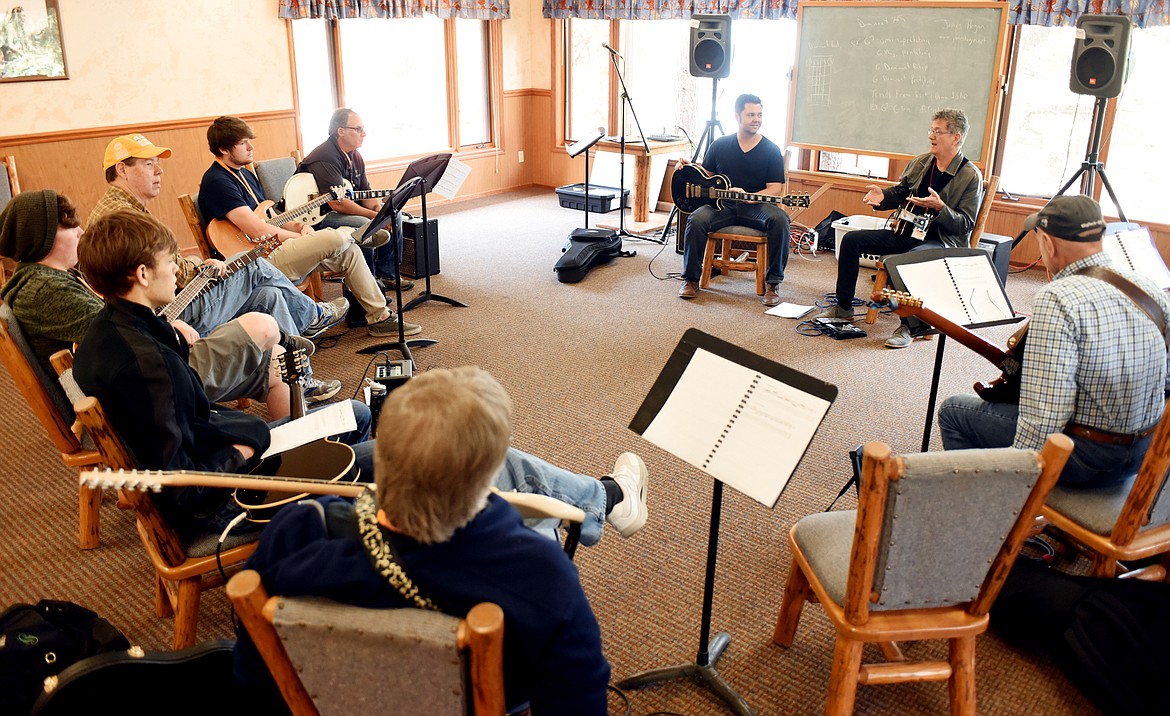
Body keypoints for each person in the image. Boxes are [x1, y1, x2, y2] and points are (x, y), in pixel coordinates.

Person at [234, 367, 650, 714]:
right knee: (547, 525)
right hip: (489, 697)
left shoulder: (298, 534)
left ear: (381, 456)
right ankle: (608, 498)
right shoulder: (540, 574)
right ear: (490, 476)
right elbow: (578, 704)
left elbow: (255, 674)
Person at [71, 208, 377, 540]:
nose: (177, 268)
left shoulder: (104, 334)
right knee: (387, 459)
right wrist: (245, 449)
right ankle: (325, 526)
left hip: (217, 451)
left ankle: (330, 506)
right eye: (168, 261)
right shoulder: (150, 365)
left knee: (355, 414)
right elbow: (185, 491)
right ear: (142, 274)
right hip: (227, 498)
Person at [92, 133, 346, 403]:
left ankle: (299, 379)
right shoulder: (122, 218)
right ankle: (312, 316)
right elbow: (170, 276)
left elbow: (172, 265)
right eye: (148, 164)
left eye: (156, 163)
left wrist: (200, 265)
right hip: (171, 317)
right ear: (122, 170)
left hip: (176, 300)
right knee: (253, 264)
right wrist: (198, 268)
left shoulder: (125, 208)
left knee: (268, 296)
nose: (159, 170)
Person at [938, 195, 1170, 488]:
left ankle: (988, 515)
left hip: (1087, 459)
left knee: (954, 411)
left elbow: (1045, 415)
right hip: (1144, 455)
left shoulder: (1058, 298)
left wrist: (1017, 475)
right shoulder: (1148, 287)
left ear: (1048, 243)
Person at [0, 190, 293, 417]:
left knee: (276, 360)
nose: (80, 233)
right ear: (42, 239)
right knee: (263, 327)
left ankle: (301, 452)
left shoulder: (47, 277)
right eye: (69, 228)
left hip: (143, 373)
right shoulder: (45, 289)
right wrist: (168, 328)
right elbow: (123, 336)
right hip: (142, 387)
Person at [196, 116, 420, 338]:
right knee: (335, 239)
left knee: (349, 253)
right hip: (259, 261)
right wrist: (300, 239)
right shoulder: (218, 182)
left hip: (274, 249)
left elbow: (271, 217)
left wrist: (299, 227)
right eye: (243, 143)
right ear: (224, 149)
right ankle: (358, 235)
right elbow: (257, 230)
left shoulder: (244, 173)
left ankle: (380, 318)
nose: (251, 146)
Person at [816, 108, 983, 348]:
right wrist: (882, 196)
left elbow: (965, 224)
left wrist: (940, 208)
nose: (931, 136)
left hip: (942, 241)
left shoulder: (970, 176)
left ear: (956, 137)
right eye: (931, 130)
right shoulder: (922, 162)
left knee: (909, 260)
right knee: (851, 241)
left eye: (938, 131)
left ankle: (910, 326)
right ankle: (843, 308)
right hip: (907, 231)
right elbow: (900, 192)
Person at [678, 93, 791, 307]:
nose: (756, 119)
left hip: (756, 207)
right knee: (696, 220)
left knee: (780, 220)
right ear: (737, 116)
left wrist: (751, 197)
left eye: (759, 114)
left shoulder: (771, 149)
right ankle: (691, 280)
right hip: (723, 207)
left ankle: (772, 284)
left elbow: (776, 187)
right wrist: (687, 168)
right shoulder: (720, 145)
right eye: (751, 115)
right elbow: (706, 175)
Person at [299, 108, 413, 293]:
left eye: (363, 129)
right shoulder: (325, 157)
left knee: (394, 215)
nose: (364, 134)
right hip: (315, 217)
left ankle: (388, 275)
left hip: (339, 210)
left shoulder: (355, 156)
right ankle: (368, 285)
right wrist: (374, 217)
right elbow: (337, 203)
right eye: (358, 129)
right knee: (363, 223)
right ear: (341, 131)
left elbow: (366, 193)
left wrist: (380, 210)